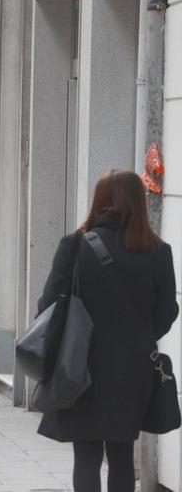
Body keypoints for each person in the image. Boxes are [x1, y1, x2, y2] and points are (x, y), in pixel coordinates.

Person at [36, 170, 178, 492]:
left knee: (85, 455)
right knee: (122, 453)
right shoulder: (158, 251)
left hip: (78, 365)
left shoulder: (74, 245)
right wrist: (140, 335)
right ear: (140, 204)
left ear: (98, 202)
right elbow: (168, 312)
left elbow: (49, 304)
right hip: (133, 368)